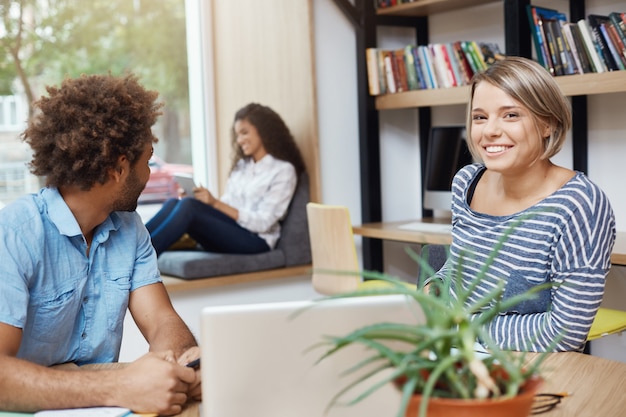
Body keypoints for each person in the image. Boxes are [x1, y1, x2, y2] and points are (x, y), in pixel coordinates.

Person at [0, 73, 201, 415]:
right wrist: (119, 386)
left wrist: (179, 366)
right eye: (147, 160)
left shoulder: (130, 230)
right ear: (120, 168)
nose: (149, 173)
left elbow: (163, 321)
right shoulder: (15, 234)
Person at [428, 56, 616, 352]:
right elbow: (460, 270)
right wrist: (430, 294)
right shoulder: (467, 182)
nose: (489, 130)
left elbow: (564, 333)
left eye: (510, 115)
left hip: (531, 365)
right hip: (454, 349)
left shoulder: (580, 205)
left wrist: (464, 326)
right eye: (480, 117)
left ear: (547, 123)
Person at [146, 102, 306, 256]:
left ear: (264, 131)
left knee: (188, 206)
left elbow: (264, 223)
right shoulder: (242, 166)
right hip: (231, 231)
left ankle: (142, 260)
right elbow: (227, 206)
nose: (239, 140)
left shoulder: (283, 171)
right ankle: (132, 249)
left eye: (244, 132)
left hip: (256, 241)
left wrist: (215, 203)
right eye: (237, 135)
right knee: (174, 203)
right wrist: (205, 202)